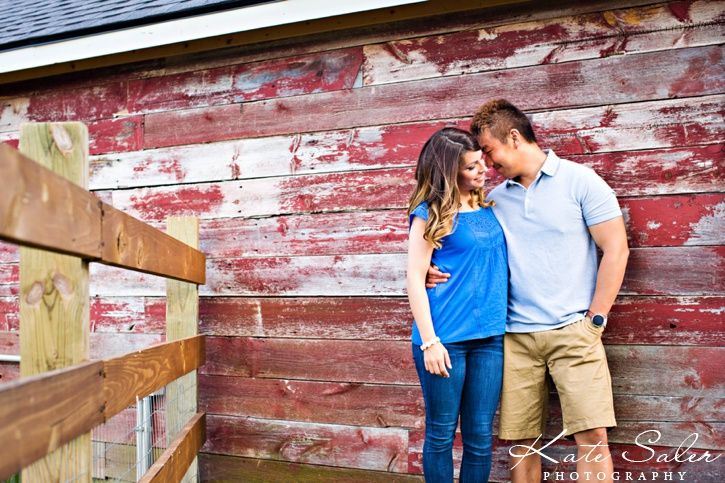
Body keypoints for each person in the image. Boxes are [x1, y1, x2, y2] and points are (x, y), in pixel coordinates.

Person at [426, 100, 629, 482]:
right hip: (514, 337)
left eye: (488, 151)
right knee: (522, 443)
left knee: (593, 435)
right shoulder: (494, 200)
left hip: (574, 331)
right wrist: (428, 271)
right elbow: (461, 244)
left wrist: (595, 321)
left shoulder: (580, 182)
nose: (486, 164)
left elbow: (616, 248)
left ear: (514, 137)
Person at [407, 127, 509, 482]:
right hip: (445, 339)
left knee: (480, 437)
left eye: (482, 161)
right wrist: (429, 341)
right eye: (471, 167)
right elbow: (415, 280)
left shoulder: (489, 206)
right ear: (448, 172)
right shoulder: (429, 213)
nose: (483, 170)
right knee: (441, 433)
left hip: (490, 338)